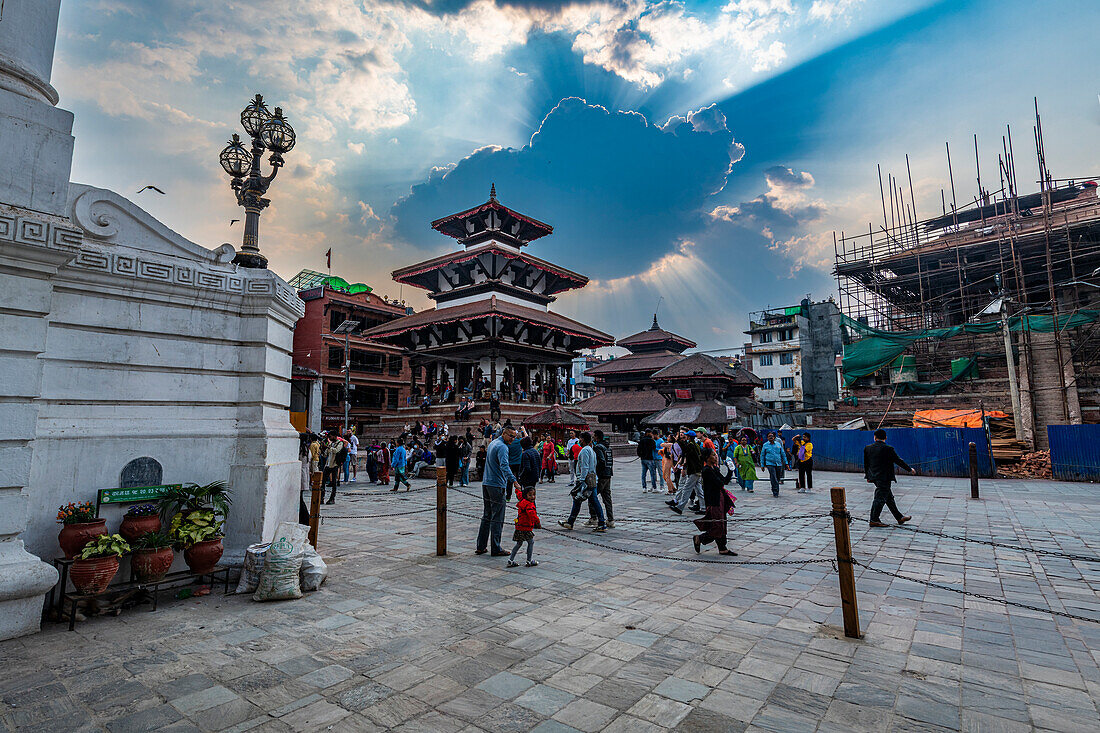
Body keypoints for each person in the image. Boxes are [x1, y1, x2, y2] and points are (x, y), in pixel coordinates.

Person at [477, 426, 518, 556]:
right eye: (511, 436)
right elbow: (504, 465)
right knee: (497, 517)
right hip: (496, 485)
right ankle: (496, 547)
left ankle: (481, 546)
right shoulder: (502, 447)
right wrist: (514, 481)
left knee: (487, 515)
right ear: (504, 433)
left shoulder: (493, 443)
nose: (512, 439)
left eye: (514, 437)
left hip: (487, 483)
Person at [557, 432, 606, 531]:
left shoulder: (584, 451)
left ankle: (601, 522)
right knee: (581, 500)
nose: (579, 440)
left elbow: (584, 466)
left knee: (588, 500)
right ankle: (571, 522)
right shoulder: (591, 450)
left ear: (582, 440)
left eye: (580, 438)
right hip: (592, 478)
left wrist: (581, 480)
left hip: (586, 480)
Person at [864, 429, 913, 527]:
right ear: (885, 438)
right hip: (884, 477)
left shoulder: (868, 448)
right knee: (880, 498)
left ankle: (899, 517)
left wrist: (868, 476)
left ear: (875, 437)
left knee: (889, 498)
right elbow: (898, 461)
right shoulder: (888, 449)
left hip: (874, 477)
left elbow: (866, 464)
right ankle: (874, 519)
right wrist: (909, 469)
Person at [693, 452, 737, 556]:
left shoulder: (714, 469)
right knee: (717, 526)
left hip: (720, 498)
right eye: (713, 455)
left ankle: (722, 548)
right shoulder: (707, 470)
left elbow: (724, 481)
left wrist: (730, 471)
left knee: (722, 523)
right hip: (713, 500)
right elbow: (719, 483)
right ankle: (699, 538)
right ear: (707, 458)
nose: (715, 457)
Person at [668, 430, 703, 515]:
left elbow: (685, 452)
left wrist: (679, 441)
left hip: (694, 470)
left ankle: (680, 507)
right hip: (697, 470)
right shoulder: (695, 445)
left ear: (689, 437)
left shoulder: (691, 446)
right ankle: (704, 507)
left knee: (687, 489)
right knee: (699, 490)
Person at [507, 486, 541, 568]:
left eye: (534, 495)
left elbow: (519, 494)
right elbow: (533, 515)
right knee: (531, 542)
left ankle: (510, 560)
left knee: (519, 543)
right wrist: (538, 523)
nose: (533, 497)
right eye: (530, 495)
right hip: (526, 528)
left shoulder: (522, 500)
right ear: (526, 496)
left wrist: (517, 489)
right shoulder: (529, 505)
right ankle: (529, 561)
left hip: (519, 527)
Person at [587, 429, 615, 528]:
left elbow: (601, 461)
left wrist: (596, 471)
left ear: (597, 437)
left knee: (592, 496)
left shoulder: (598, 447)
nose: (593, 437)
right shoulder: (608, 447)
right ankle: (610, 519)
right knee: (607, 497)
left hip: (602, 475)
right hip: (608, 474)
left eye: (594, 436)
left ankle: (594, 517)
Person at [761, 432, 786, 497]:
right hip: (770, 463)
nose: (771, 437)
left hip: (778, 463)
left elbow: (782, 453)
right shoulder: (765, 445)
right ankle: (775, 491)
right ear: (767, 438)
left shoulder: (778, 444)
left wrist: (786, 463)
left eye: (772, 436)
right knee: (773, 476)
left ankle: (774, 487)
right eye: (769, 436)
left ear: (774, 437)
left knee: (777, 477)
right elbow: (762, 455)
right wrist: (762, 465)